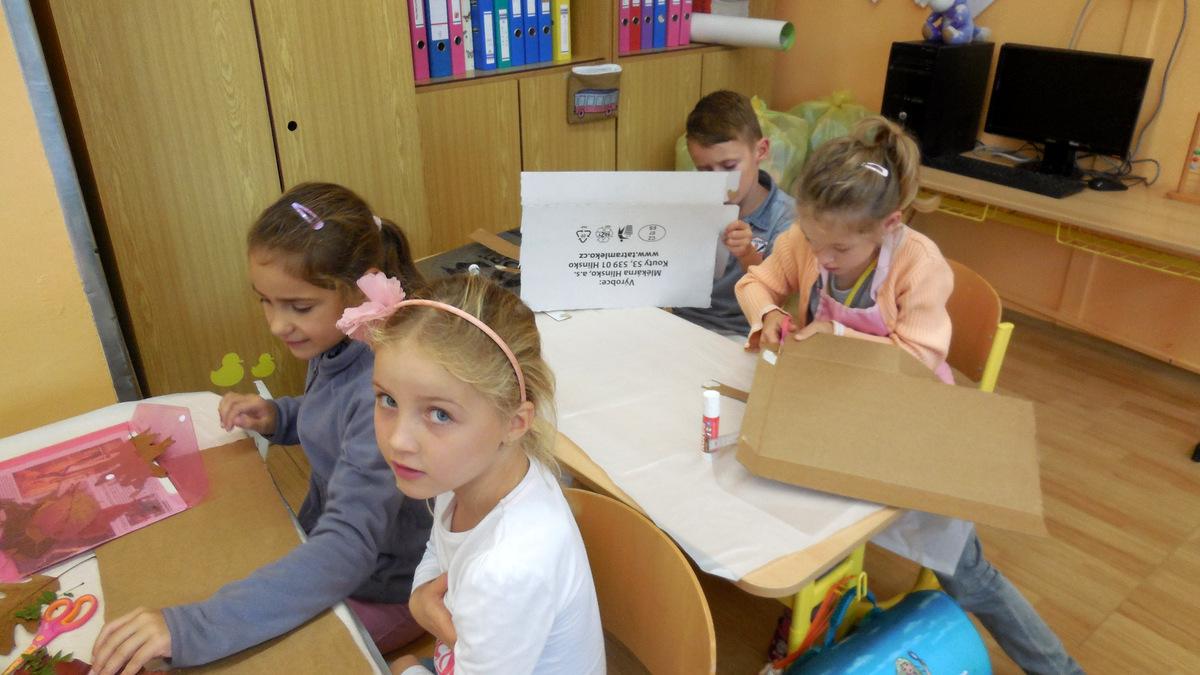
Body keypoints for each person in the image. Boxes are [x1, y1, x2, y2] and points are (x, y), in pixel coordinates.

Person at [736, 117, 1083, 675]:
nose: (822, 258)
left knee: (969, 578)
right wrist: (771, 313)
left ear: (889, 224)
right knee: (792, 515)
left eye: (839, 248)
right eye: (814, 241)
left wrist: (837, 335)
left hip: (913, 423)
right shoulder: (807, 239)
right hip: (836, 413)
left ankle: (1060, 669)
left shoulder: (919, 262)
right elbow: (756, 282)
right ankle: (813, 614)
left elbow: (919, 355)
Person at [91, 182, 433, 674]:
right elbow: (333, 417)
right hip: (330, 550)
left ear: (363, 288)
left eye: (299, 307)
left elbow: (347, 548)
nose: (277, 325)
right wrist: (281, 417)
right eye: (266, 302)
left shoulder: (381, 387)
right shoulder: (342, 341)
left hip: (386, 588)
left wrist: (193, 629)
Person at [342, 272, 604, 674]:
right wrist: (420, 600)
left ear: (514, 423)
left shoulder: (507, 567)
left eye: (439, 414)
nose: (398, 440)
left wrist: (410, 666)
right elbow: (439, 550)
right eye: (388, 400)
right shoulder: (468, 473)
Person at [674, 90, 797, 337]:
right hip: (682, 323)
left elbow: (778, 300)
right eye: (705, 170)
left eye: (729, 166)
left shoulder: (786, 218)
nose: (720, 181)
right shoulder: (692, 204)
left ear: (761, 151)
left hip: (742, 332)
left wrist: (747, 254)